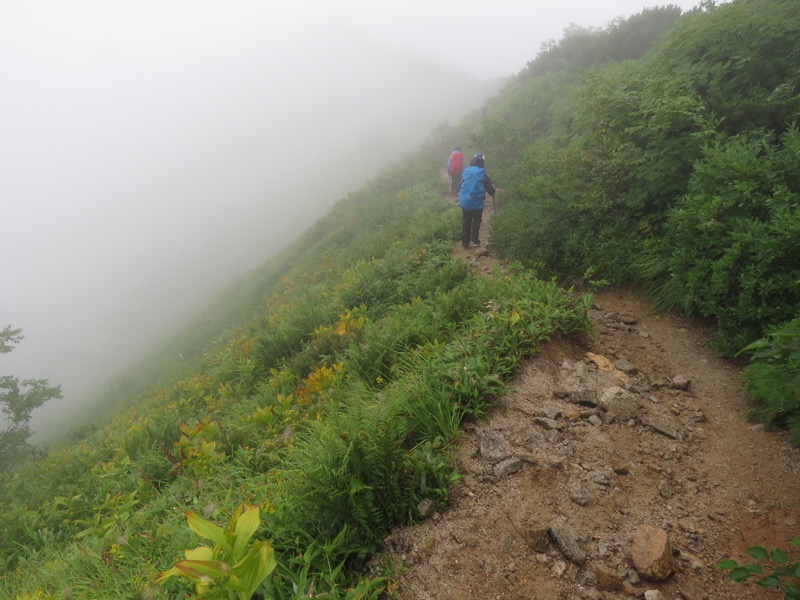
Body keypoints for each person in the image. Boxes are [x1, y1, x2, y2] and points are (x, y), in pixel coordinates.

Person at [458, 152, 495, 249]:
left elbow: (459, 186)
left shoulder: (466, 171)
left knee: (466, 220)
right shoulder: (482, 173)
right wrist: (493, 192)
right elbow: (490, 189)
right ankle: (474, 239)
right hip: (477, 202)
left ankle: (465, 242)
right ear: (482, 162)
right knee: (476, 220)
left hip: (465, 201)